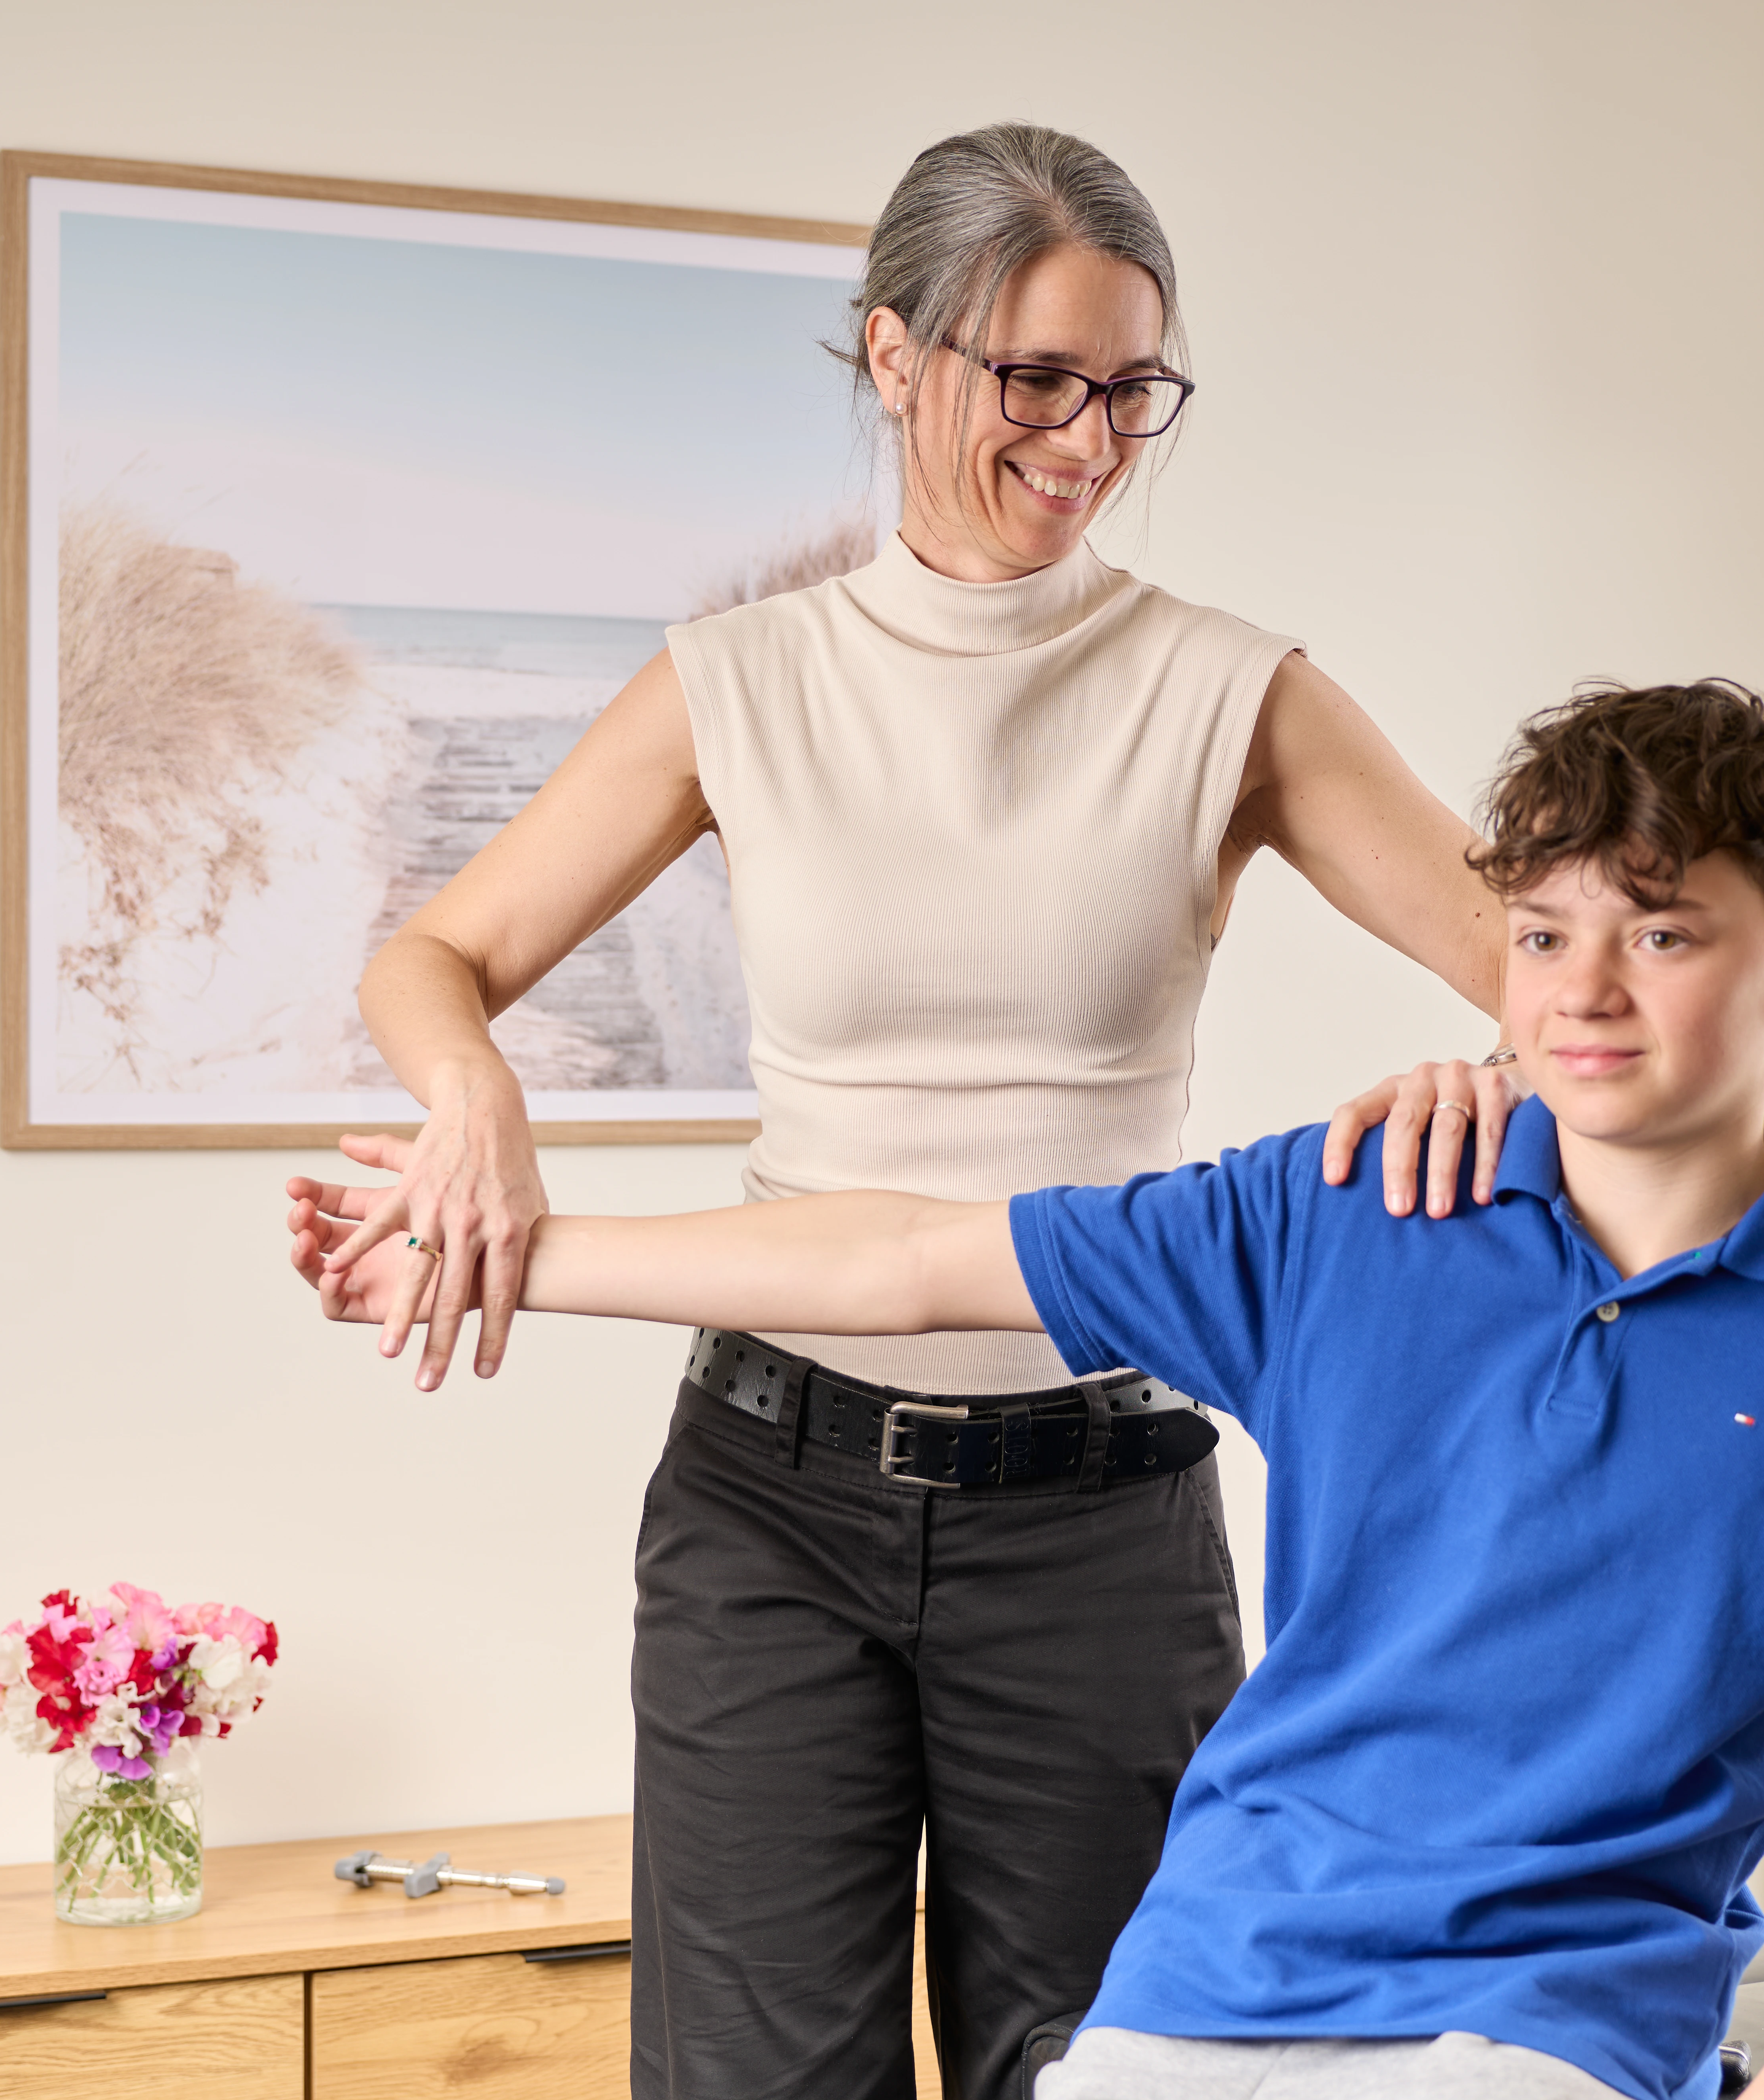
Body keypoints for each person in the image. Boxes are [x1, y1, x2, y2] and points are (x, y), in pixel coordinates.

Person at [316, 681, 1764, 2100]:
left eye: (1663, 935)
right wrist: (494, 1253)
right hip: (1209, 1980)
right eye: (1539, 933)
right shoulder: (1355, 1211)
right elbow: (902, 1262)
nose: (1585, 990)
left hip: (1542, 2029)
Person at [288, 123, 1525, 2100]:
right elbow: (431, 955)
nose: (1091, 439)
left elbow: (1576, 984)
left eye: (1134, 391)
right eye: (1038, 380)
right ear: (893, 355)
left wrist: (1497, 1062)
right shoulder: (741, 681)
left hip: (1103, 1510)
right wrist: (473, 1099)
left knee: (1117, 2078)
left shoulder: (1228, 696)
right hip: (768, 1505)